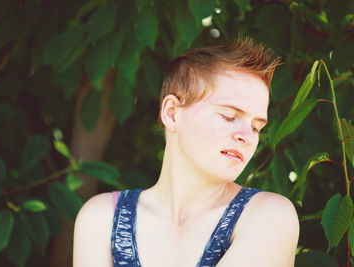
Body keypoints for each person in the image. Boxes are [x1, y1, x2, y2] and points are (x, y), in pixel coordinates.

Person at [73, 37, 300, 267]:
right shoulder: (102, 217)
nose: (248, 137)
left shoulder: (268, 215)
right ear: (172, 113)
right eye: (229, 116)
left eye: (256, 127)